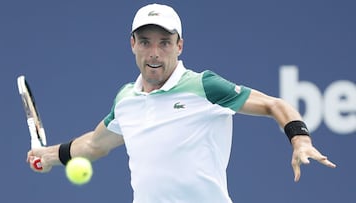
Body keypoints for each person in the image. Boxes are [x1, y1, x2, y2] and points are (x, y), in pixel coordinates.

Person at [27, 3, 336, 203]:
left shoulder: (204, 86)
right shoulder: (126, 100)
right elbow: (95, 145)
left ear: (179, 45)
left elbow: (273, 104)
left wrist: (300, 140)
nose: (154, 53)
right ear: (133, 44)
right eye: (145, 42)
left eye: (164, 42)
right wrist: (50, 156)